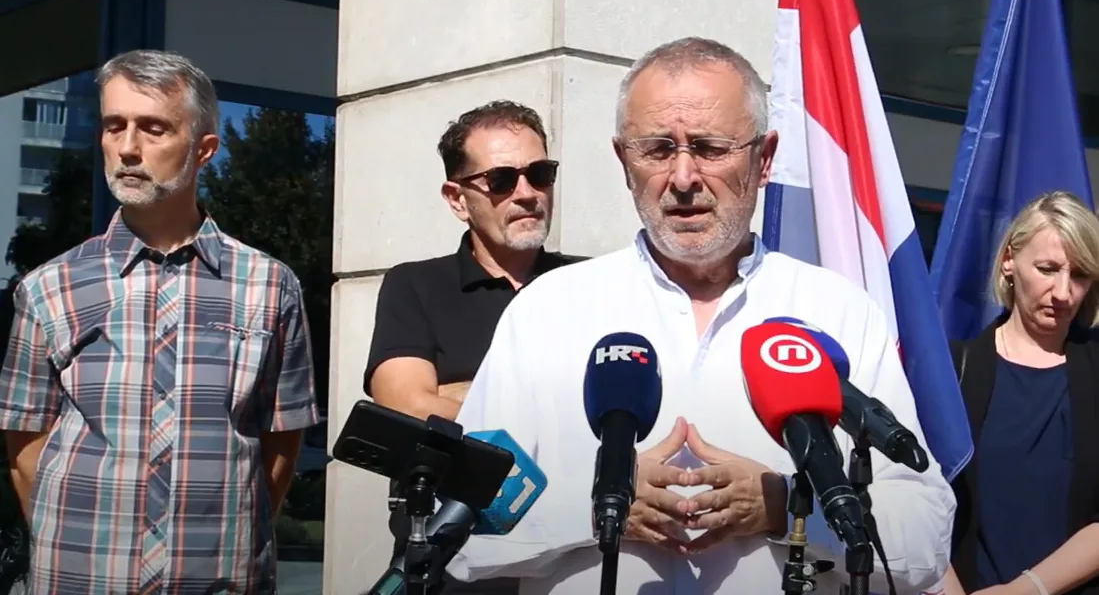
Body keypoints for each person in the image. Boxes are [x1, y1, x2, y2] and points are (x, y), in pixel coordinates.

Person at [444, 36, 955, 594]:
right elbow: (460, 526)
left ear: (764, 159)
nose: (684, 178)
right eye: (657, 149)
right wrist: (597, 506)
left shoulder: (836, 311)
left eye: (711, 148)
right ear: (624, 161)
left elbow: (927, 538)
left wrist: (787, 506)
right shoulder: (548, 310)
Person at [0, 49, 319, 594]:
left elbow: (281, 441)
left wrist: (225, 536)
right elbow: (24, 443)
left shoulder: (270, 286)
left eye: (153, 128)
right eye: (114, 126)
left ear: (204, 149)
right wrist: (68, 540)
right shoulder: (48, 287)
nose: (127, 147)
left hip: (217, 580)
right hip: (81, 576)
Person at [365, 100, 582, 593]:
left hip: (572, 561)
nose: (526, 194)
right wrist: (557, 406)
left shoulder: (588, 284)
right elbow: (405, 406)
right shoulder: (415, 286)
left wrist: (462, 395)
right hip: (452, 562)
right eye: (502, 180)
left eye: (540, 174)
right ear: (457, 199)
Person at [939, 192, 1099, 595]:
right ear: (1009, 260)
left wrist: (1025, 590)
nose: (1063, 293)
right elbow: (910, 501)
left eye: (1079, 275)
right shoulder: (951, 370)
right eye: (1048, 269)